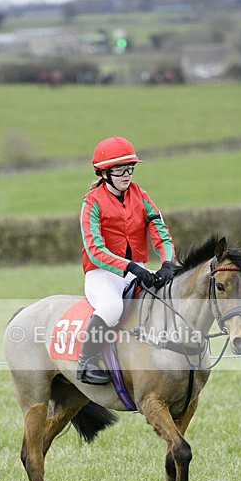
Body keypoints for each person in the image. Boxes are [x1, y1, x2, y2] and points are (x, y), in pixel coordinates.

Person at [77, 135, 176, 384]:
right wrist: (130, 267)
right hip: (102, 275)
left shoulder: (140, 195)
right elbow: (94, 250)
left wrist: (167, 263)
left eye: (130, 168)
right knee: (112, 307)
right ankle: (86, 362)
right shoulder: (91, 203)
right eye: (120, 170)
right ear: (104, 173)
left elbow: (161, 233)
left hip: (137, 269)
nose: (127, 174)